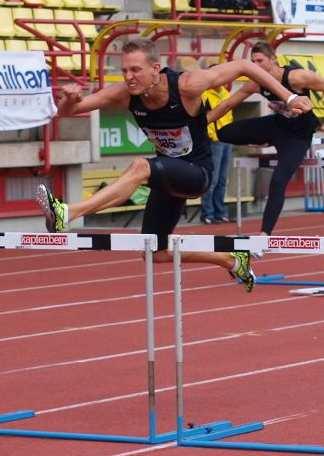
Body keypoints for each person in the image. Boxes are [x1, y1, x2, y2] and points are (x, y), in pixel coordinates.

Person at [35, 38, 311, 293]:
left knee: (141, 166)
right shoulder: (123, 93)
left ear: (156, 69)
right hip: (169, 177)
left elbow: (245, 66)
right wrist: (70, 99)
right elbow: (70, 112)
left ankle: (69, 213)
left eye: (136, 70)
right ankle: (229, 259)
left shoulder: (188, 85)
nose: (129, 77)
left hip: (198, 174)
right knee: (155, 252)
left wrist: (289, 98)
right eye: (124, 70)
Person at [208, 41, 323, 237]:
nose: (255, 65)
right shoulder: (255, 82)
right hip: (276, 126)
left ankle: (264, 234)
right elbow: (228, 104)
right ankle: (264, 139)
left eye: (260, 60)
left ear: (273, 60)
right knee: (225, 133)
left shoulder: (296, 77)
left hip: (297, 136)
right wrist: (201, 123)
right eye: (252, 61)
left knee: (278, 181)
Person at [200, 85, 233, 224]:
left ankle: (220, 213)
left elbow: (229, 116)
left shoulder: (226, 93)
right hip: (215, 141)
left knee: (222, 180)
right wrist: (212, 135)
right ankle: (207, 213)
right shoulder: (205, 94)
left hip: (227, 140)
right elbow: (203, 117)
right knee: (212, 179)